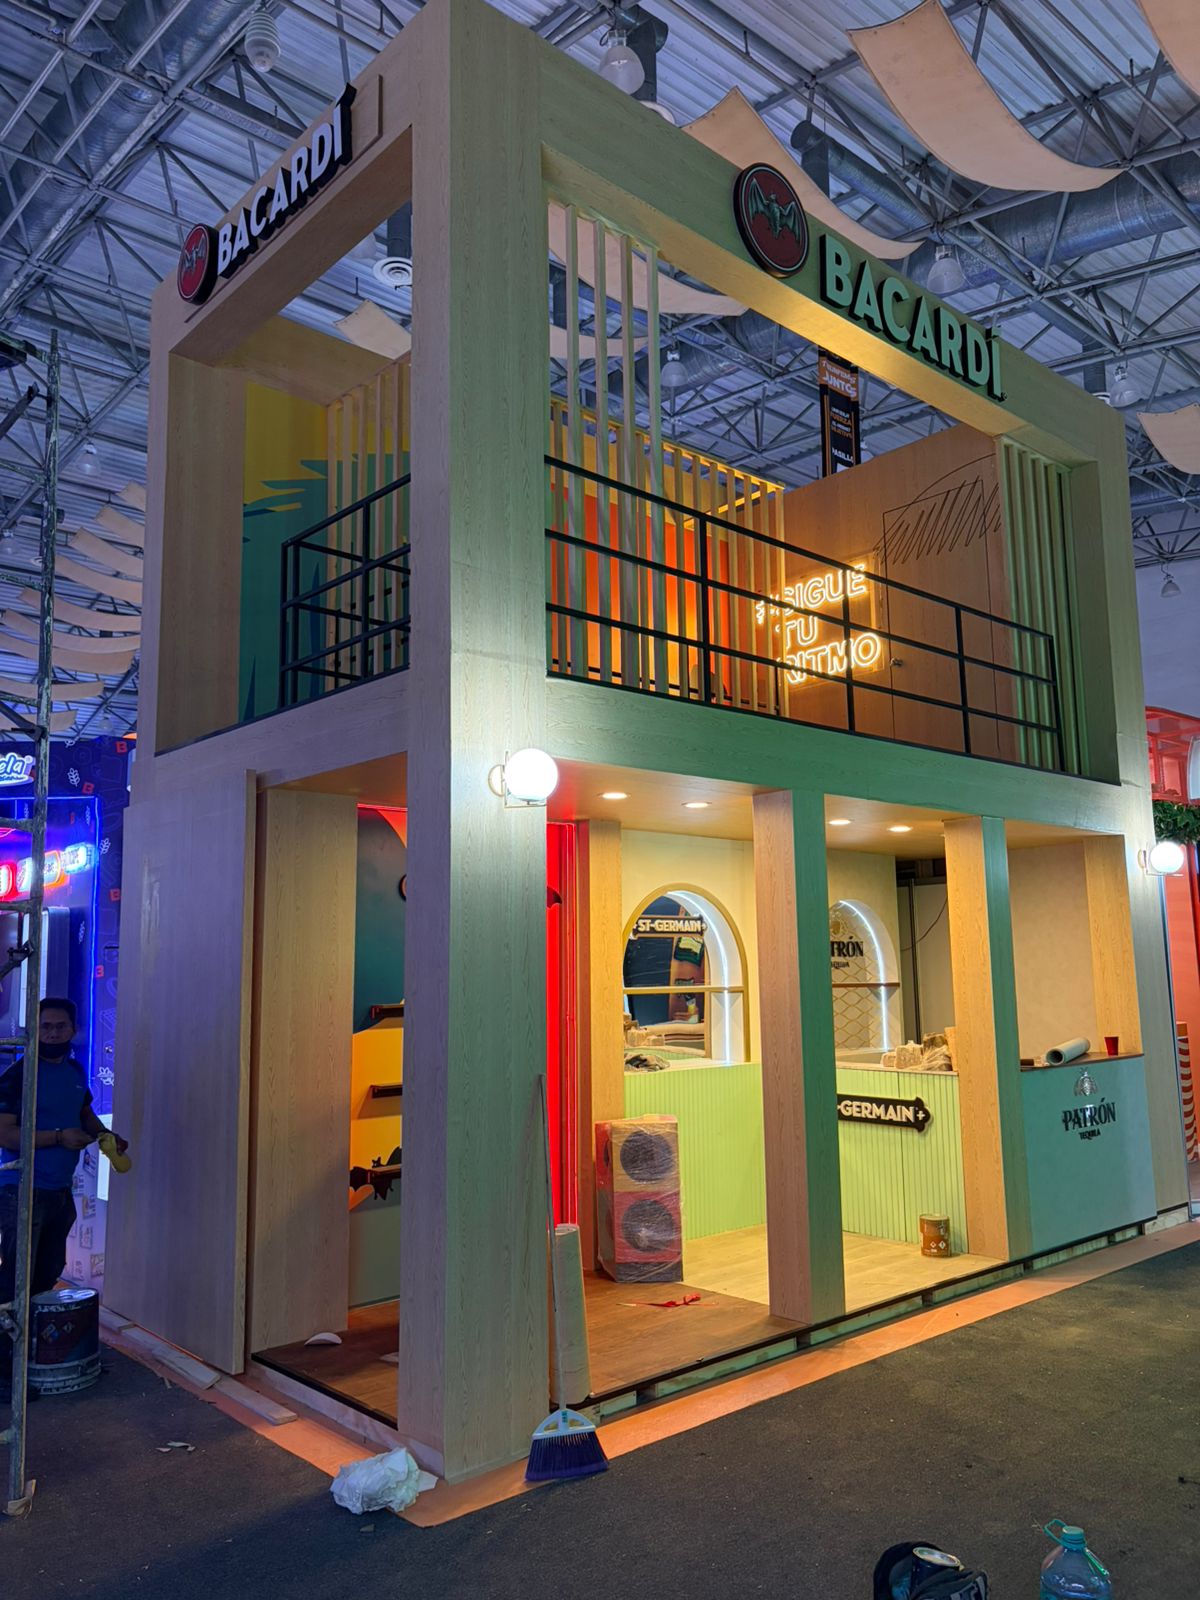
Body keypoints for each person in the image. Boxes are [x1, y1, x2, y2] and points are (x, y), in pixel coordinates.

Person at [0, 998, 128, 1402]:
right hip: (23, 1191)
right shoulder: (18, 1076)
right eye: (46, 1027)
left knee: (44, 1276)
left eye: (60, 1026)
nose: (53, 1033)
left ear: (73, 1029)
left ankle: (28, 1360)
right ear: (34, 1030)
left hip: (58, 1192)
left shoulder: (73, 1071)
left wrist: (106, 1136)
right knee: (14, 1282)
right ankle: (3, 1373)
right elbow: (5, 1134)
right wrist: (57, 1138)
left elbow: (83, 1111)